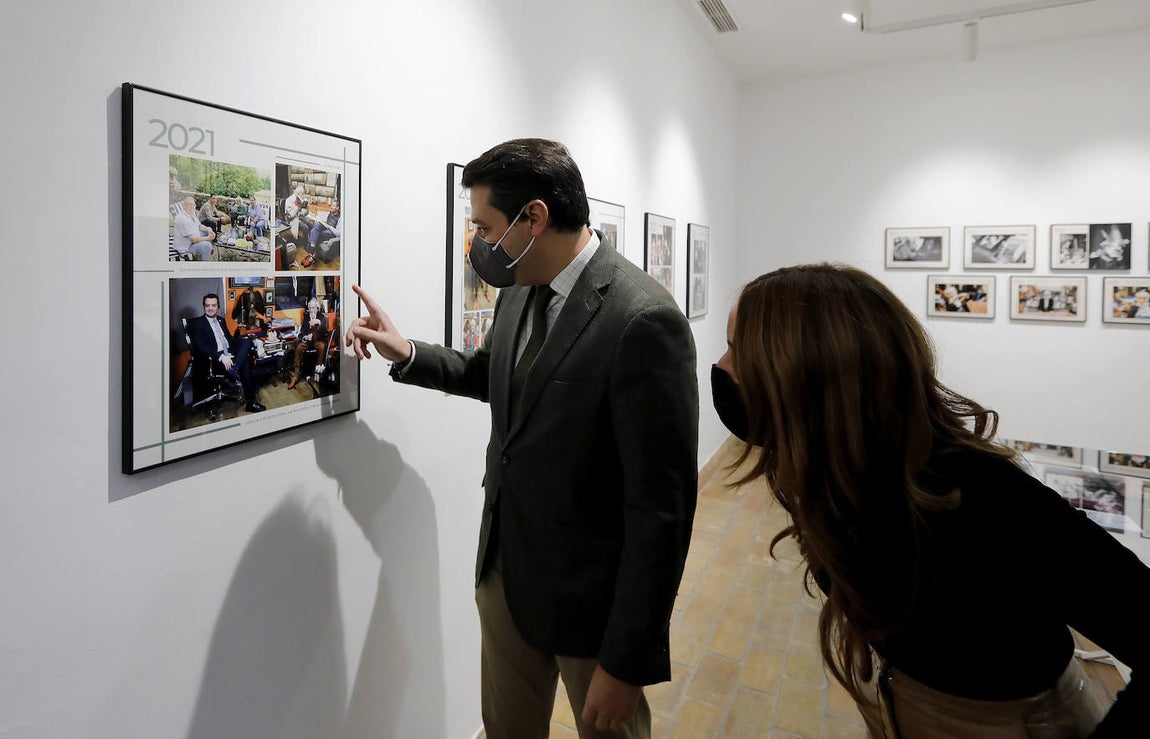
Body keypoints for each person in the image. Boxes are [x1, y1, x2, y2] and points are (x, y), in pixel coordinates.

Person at [346, 138, 699, 738]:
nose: (479, 243)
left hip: (592, 602)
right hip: (506, 572)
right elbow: (493, 377)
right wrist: (406, 352)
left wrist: (627, 659)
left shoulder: (642, 319)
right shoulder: (521, 289)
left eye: (484, 226)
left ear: (533, 218)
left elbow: (661, 510)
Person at [711, 264, 1147, 738]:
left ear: (804, 372)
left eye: (737, 349)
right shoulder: (840, 473)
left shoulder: (986, 497)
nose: (722, 366)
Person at [186, 293, 265, 414]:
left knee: (247, 339)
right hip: (214, 359)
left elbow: (230, 340)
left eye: (213, 305)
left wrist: (241, 341)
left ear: (218, 306)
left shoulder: (221, 320)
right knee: (245, 365)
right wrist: (221, 356)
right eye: (208, 305)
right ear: (203, 306)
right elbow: (200, 347)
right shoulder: (196, 323)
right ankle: (251, 402)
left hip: (230, 355)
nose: (211, 308)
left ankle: (234, 369)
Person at [288, 297, 328, 389]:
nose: (311, 310)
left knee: (321, 346)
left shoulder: (321, 316)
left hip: (317, 341)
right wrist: (305, 337)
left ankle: (318, 372)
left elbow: (325, 332)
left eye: (313, 308)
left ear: (317, 308)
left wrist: (320, 323)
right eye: (310, 308)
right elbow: (302, 332)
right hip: (308, 342)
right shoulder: (306, 317)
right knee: (298, 348)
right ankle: (295, 376)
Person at [172, 196, 215, 260]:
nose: (192, 206)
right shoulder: (182, 219)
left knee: (207, 232)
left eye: (193, 204)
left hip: (192, 238)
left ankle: (204, 251)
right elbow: (193, 240)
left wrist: (208, 229)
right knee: (207, 246)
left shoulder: (191, 213)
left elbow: (199, 226)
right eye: (189, 204)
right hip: (185, 247)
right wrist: (208, 238)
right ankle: (205, 264)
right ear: (184, 206)